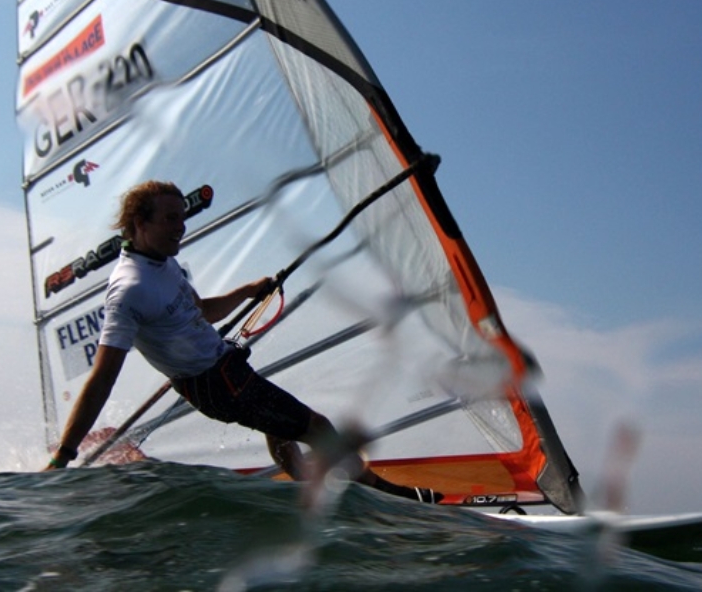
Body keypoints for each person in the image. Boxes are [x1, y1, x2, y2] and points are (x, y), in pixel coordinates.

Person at [43, 180, 441, 504]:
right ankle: (389, 498)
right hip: (217, 386)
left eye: (182, 218)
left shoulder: (165, 265)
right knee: (317, 427)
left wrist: (247, 291)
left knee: (281, 428)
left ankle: (312, 498)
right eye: (170, 219)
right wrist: (64, 454)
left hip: (226, 370)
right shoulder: (130, 289)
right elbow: (103, 376)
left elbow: (203, 311)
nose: (180, 227)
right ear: (138, 223)